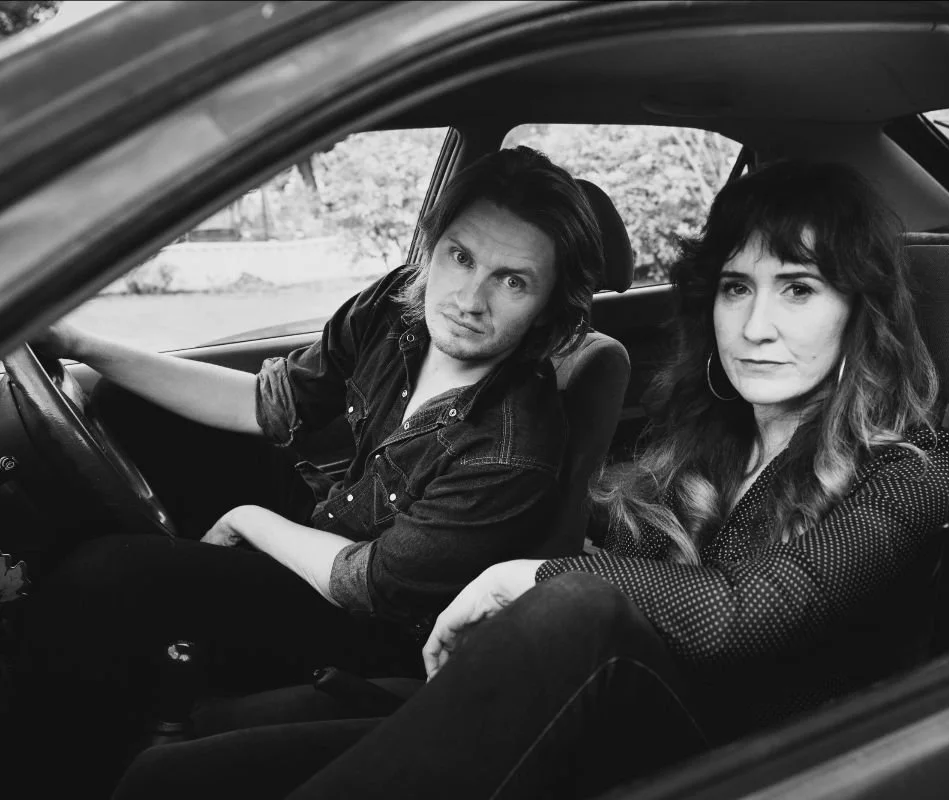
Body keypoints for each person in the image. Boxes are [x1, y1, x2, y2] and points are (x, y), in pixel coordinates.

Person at [113, 159, 949, 800]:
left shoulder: (912, 470)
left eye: (799, 290)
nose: (756, 325)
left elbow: (748, 611)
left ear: (861, 311)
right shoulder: (709, 440)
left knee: (578, 603)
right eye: (737, 288)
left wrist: (527, 576)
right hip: (595, 723)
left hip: (741, 761)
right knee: (171, 778)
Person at [10, 146, 603, 796]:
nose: (469, 298)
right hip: (329, 516)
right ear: (434, 247)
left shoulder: (514, 447)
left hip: (376, 626)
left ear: (548, 306)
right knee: (131, 411)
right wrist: (83, 346)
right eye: (460, 257)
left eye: (512, 282)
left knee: (109, 577)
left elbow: (370, 584)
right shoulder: (395, 311)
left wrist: (249, 520)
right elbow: (273, 404)